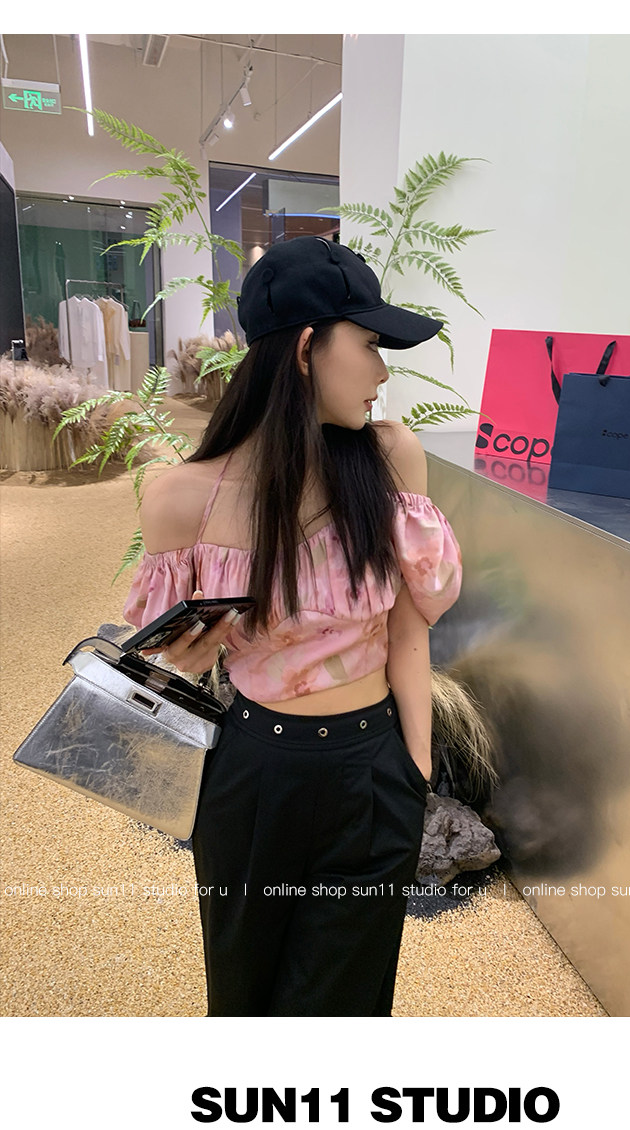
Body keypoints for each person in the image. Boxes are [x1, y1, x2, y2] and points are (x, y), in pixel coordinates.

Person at [122, 236, 463, 1016]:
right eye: (370, 344)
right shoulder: (181, 498)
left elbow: (410, 631)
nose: (383, 373)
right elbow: (169, 665)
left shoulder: (390, 459)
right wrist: (186, 657)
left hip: (371, 770)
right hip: (252, 777)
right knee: (245, 998)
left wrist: (411, 773)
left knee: (345, 1005)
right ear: (308, 349)